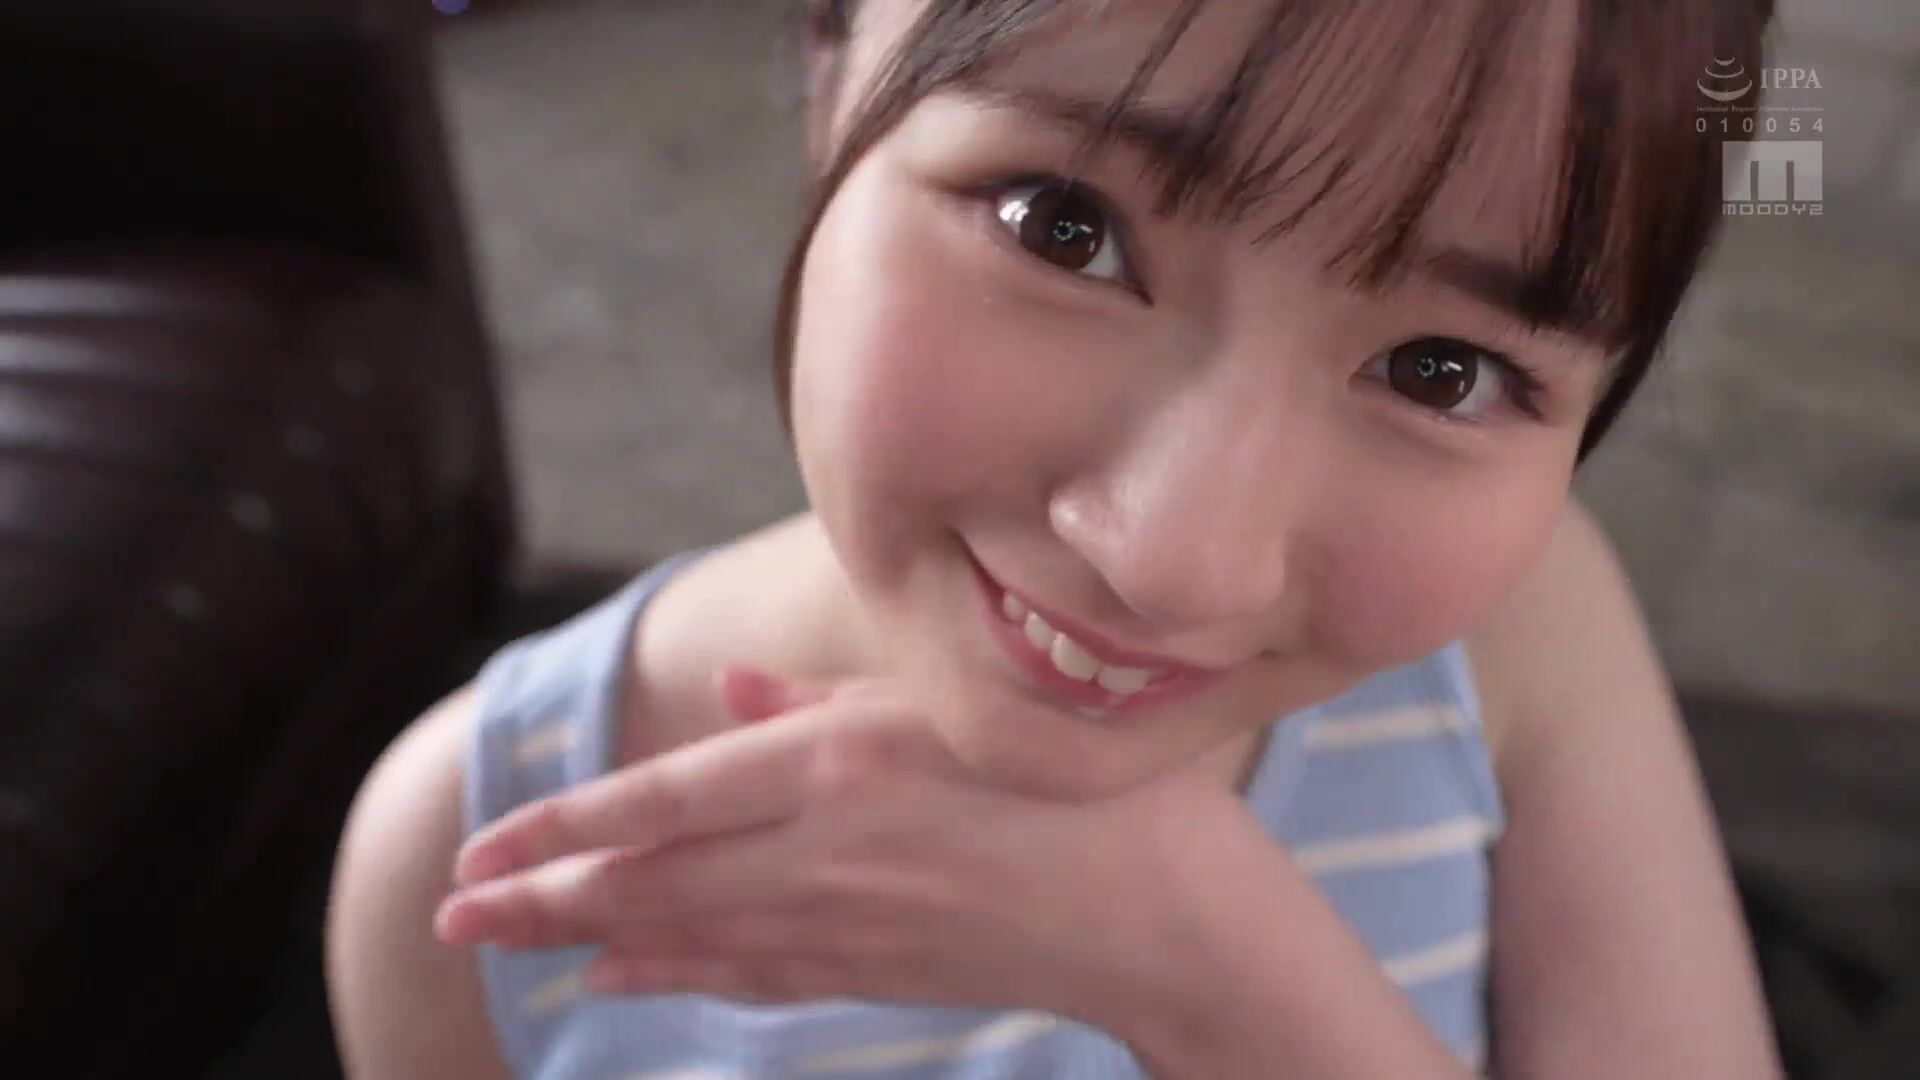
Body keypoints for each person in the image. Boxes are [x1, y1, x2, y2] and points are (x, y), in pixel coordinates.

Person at [325, 1, 1787, 1076]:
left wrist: (1224, 985)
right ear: (831, 70)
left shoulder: (1523, 640)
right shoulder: (479, 849)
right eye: (1062, 226)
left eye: (1440, 373)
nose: (1178, 560)